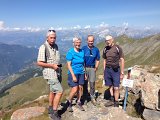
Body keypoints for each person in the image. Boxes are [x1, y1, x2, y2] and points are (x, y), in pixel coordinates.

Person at [37, 29, 63, 120]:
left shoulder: (55, 46)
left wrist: (58, 66)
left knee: (53, 91)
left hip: (57, 72)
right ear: (47, 37)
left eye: (54, 38)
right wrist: (52, 66)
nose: (53, 39)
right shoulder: (43, 47)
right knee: (59, 91)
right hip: (50, 73)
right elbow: (39, 63)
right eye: (51, 38)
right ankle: (54, 113)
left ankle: (50, 108)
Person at [102, 35, 124, 107]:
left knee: (116, 87)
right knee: (110, 85)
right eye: (106, 41)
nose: (107, 42)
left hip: (115, 70)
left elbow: (122, 59)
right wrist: (104, 70)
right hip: (108, 69)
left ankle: (116, 102)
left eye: (109, 40)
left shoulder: (117, 48)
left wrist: (122, 72)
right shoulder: (105, 49)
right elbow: (104, 59)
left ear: (112, 40)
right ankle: (112, 99)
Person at [66, 37, 85, 112]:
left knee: (80, 88)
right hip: (73, 72)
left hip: (81, 72)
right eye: (76, 42)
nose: (78, 44)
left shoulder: (82, 51)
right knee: (74, 89)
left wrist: (85, 72)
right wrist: (73, 75)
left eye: (79, 42)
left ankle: (79, 101)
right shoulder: (70, 52)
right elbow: (68, 65)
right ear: (73, 43)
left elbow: (83, 63)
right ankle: (69, 102)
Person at [82, 35, 100, 105]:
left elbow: (98, 59)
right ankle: (85, 97)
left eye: (92, 41)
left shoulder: (96, 49)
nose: (90, 42)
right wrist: (83, 69)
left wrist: (96, 67)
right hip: (85, 67)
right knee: (85, 83)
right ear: (87, 41)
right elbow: (81, 59)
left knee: (92, 83)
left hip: (92, 68)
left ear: (93, 41)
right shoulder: (83, 49)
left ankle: (92, 97)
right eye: (89, 41)